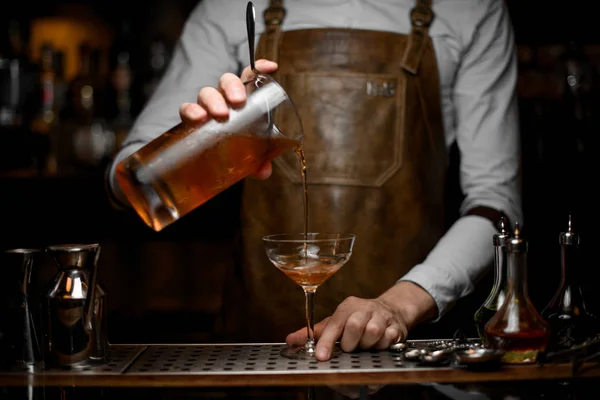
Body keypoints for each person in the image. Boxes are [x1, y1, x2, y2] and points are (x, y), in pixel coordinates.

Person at [106, 0, 522, 361]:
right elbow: (126, 183)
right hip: (255, 352)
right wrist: (190, 146)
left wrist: (399, 304)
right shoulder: (229, 8)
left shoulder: (471, 8)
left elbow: (496, 204)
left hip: (407, 353)